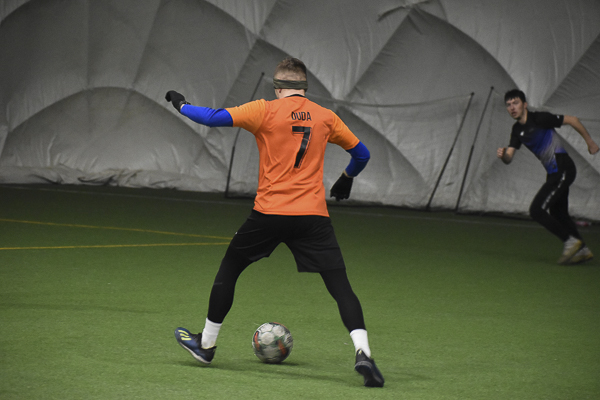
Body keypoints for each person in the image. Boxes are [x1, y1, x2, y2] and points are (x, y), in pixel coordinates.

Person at [165, 57, 384, 387]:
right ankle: (364, 354)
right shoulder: (325, 116)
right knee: (341, 288)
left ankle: (206, 345)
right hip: (312, 216)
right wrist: (346, 177)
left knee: (230, 269)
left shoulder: (264, 110)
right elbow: (362, 154)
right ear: (305, 87)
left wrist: (180, 104)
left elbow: (210, 117)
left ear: (278, 87)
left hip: (269, 213)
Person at [497, 89, 599, 264]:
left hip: (563, 169)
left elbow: (573, 120)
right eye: (508, 105)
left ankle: (570, 242)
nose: (512, 107)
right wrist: (503, 155)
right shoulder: (516, 130)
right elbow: (509, 158)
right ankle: (582, 250)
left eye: (515, 103)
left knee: (536, 210)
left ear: (524, 104)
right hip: (554, 173)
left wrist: (590, 143)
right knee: (558, 213)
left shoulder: (540, 118)